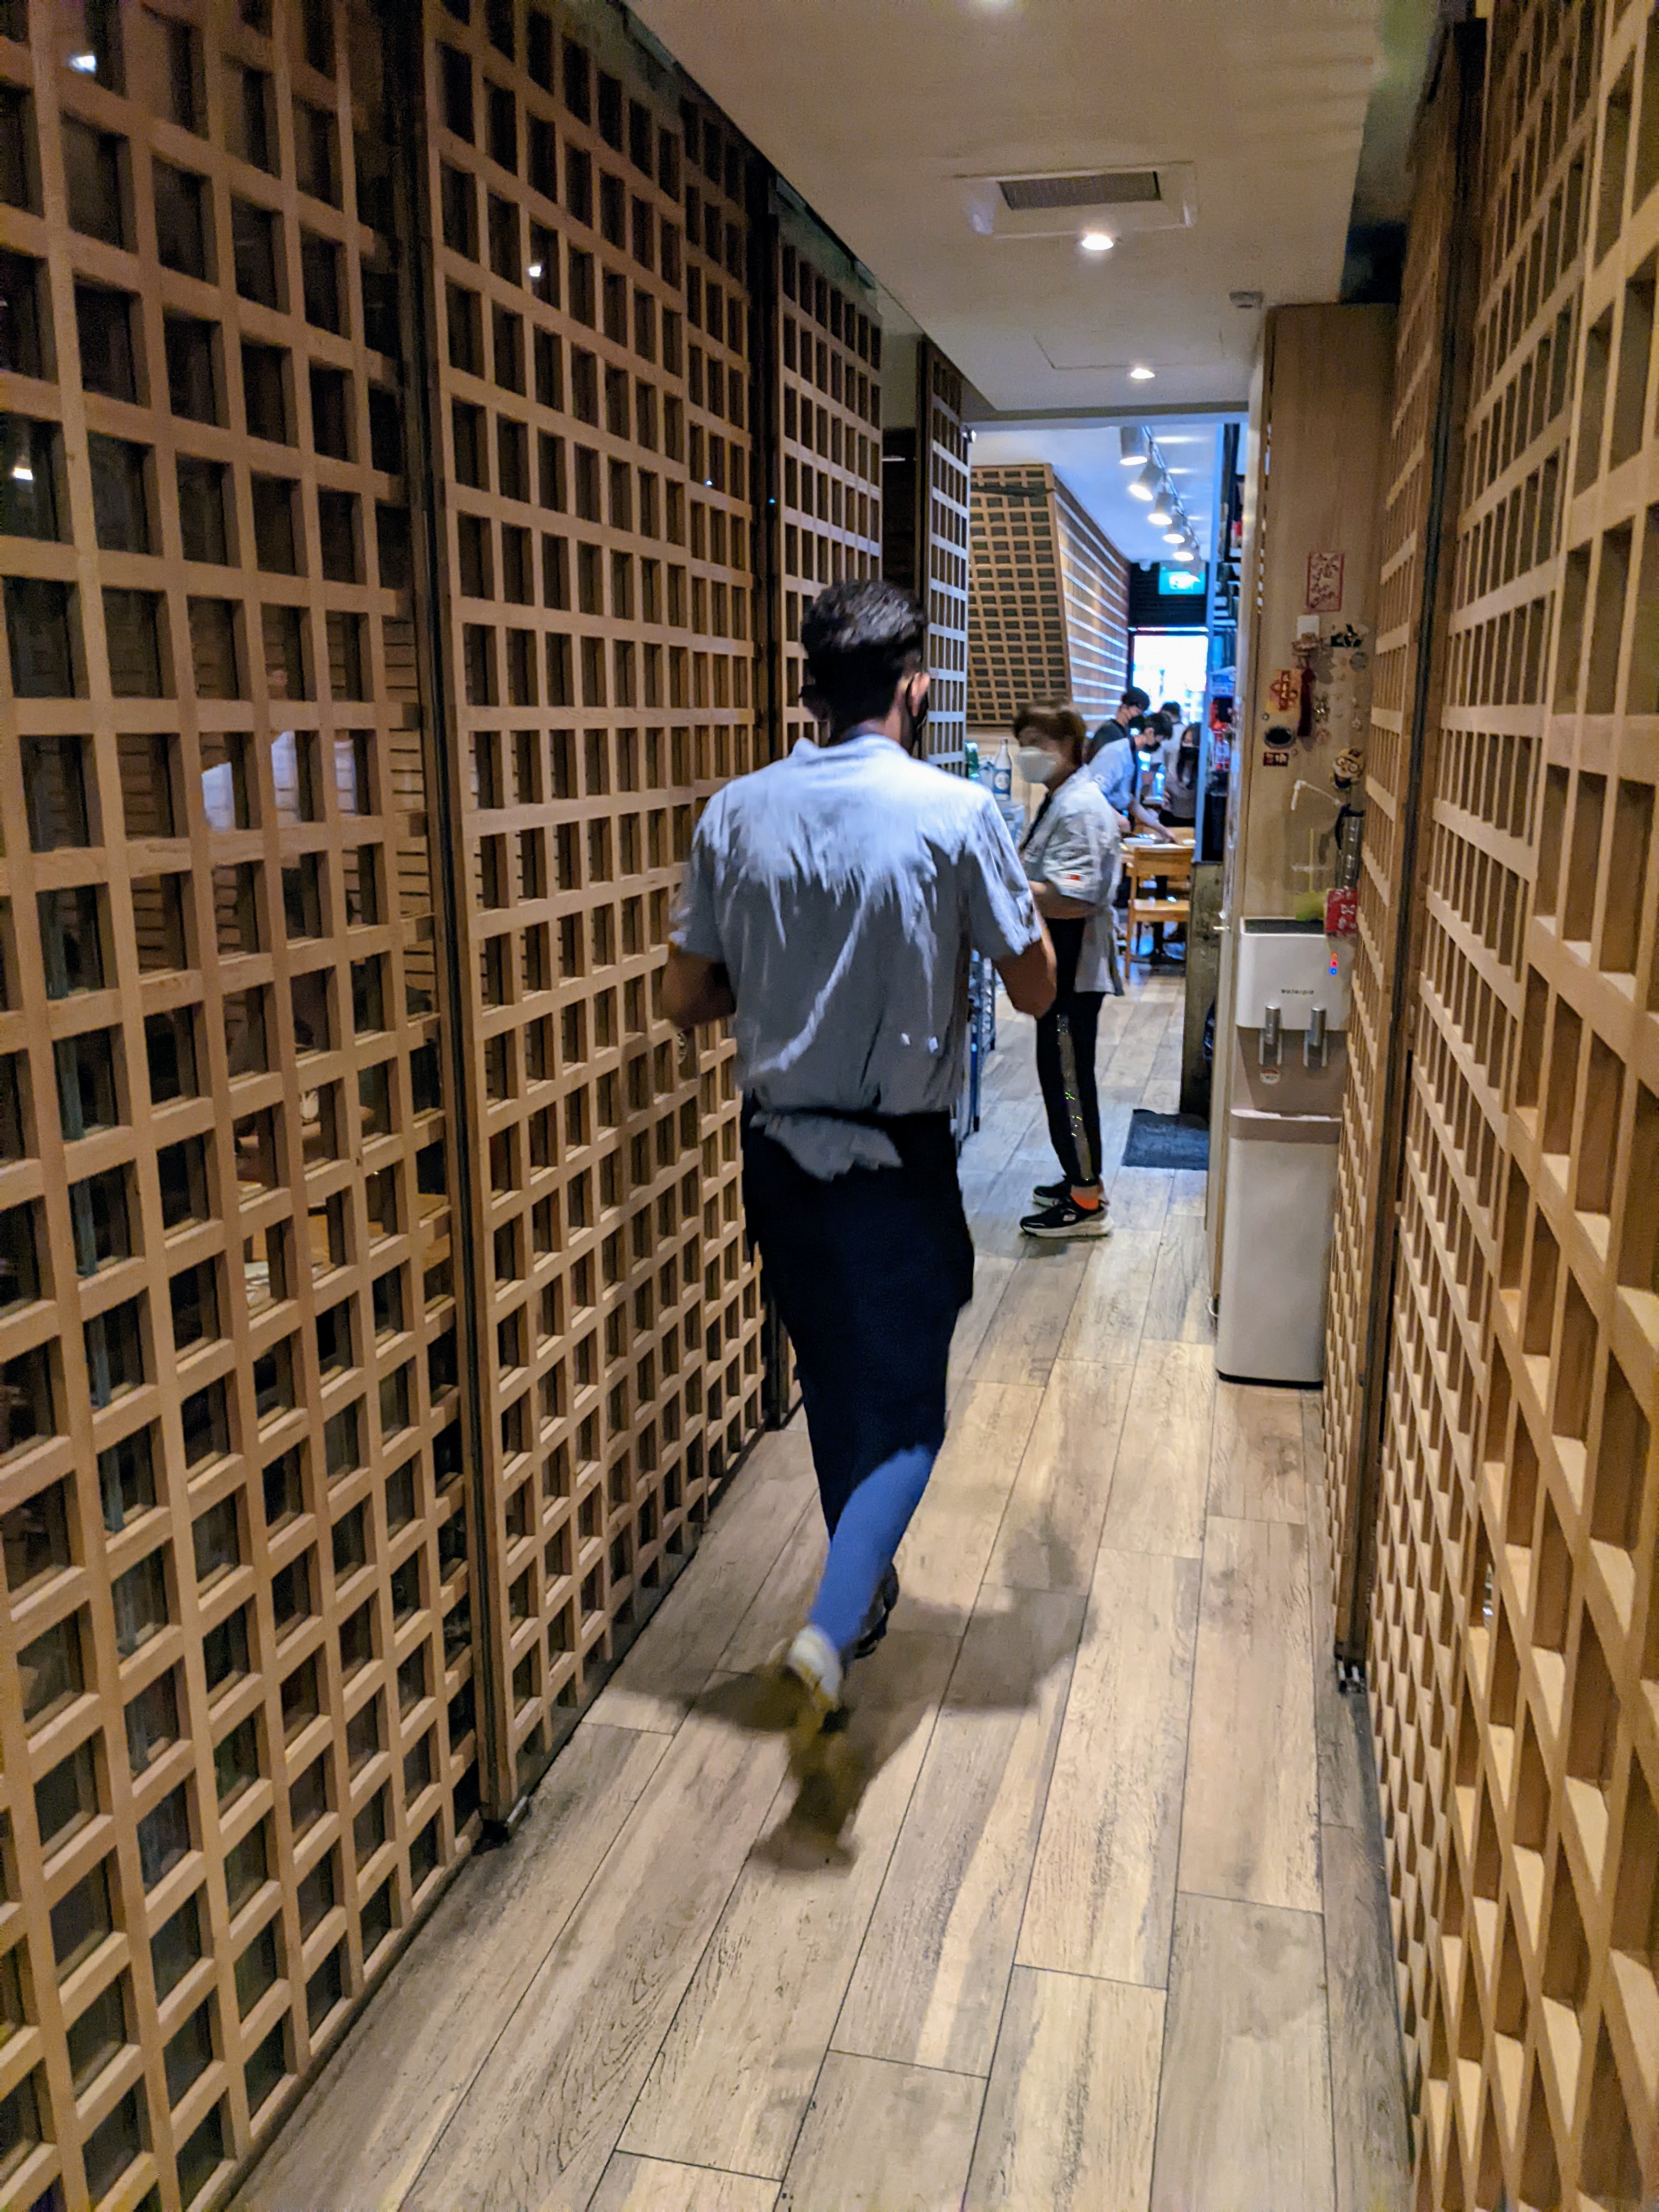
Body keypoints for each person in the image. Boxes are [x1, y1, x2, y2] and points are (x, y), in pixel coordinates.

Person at [663, 578, 1056, 1781]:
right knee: (908, 1412)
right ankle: (831, 1627)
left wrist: (784, 978)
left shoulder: (733, 813)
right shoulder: (956, 813)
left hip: (778, 1152)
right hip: (897, 1157)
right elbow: (1034, 985)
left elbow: (684, 996)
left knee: (831, 1373)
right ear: (914, 687)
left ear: (808, 692)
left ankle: (860, 1585)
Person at [1012, 706, 1121, 1238]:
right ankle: (1079, 1176)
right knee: (1060, 1077)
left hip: (1073, 972)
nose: (1027, 753)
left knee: (1069, 1083)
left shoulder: (1079, 808)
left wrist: (1005, 880)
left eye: (1038, 742)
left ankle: (1085, 1199)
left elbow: (1071, 899)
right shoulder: (1062, 799)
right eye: (1023, 742)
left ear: (1070, 746)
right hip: (1059, 966)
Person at [1087, 686, 1160, 834]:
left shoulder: (1124, 733)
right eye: (1137, 712)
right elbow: (1101, 779)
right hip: (1104, 813)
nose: (1138, 717)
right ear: (1125, 707)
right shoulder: (1110, 733)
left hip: (1115, 811)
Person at [1160, 720, 1201, 830]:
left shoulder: (1204, 764)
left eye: (1194, 743)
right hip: (1169, 815)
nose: (1189, 746)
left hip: (1195, 820)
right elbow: (1162, 779)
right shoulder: (1172, 755)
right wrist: (1162, 792)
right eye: (1186, 741)